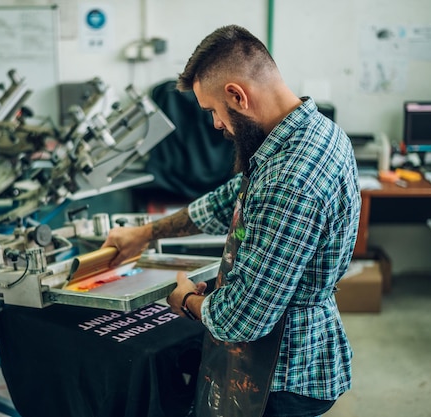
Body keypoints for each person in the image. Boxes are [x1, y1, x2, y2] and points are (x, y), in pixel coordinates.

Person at [102, 24, 361, 417]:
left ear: (237, 95)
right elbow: (232, 200)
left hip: (282, 376)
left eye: (213, 112)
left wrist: (187, 299)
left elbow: (242, 319)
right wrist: (146, 233)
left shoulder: (292, 178)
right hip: (287, 358)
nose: (215, 126)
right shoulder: (311, 132)